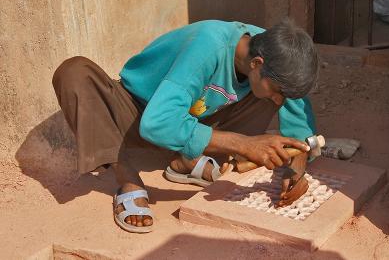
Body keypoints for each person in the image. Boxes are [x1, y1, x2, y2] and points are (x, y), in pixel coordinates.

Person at [52, 19, 319, 233]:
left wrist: (295, 169)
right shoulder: (210, 46)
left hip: (196, 116)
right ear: (257, 64)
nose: (279, 99)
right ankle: (128, 180)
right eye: (278, 90)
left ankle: (185, 160)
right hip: (138, 112)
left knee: (270, 94)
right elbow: (156, 123)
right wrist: (243, 144)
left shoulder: (272, 50)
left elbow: (298, 119)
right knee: (73, 72)